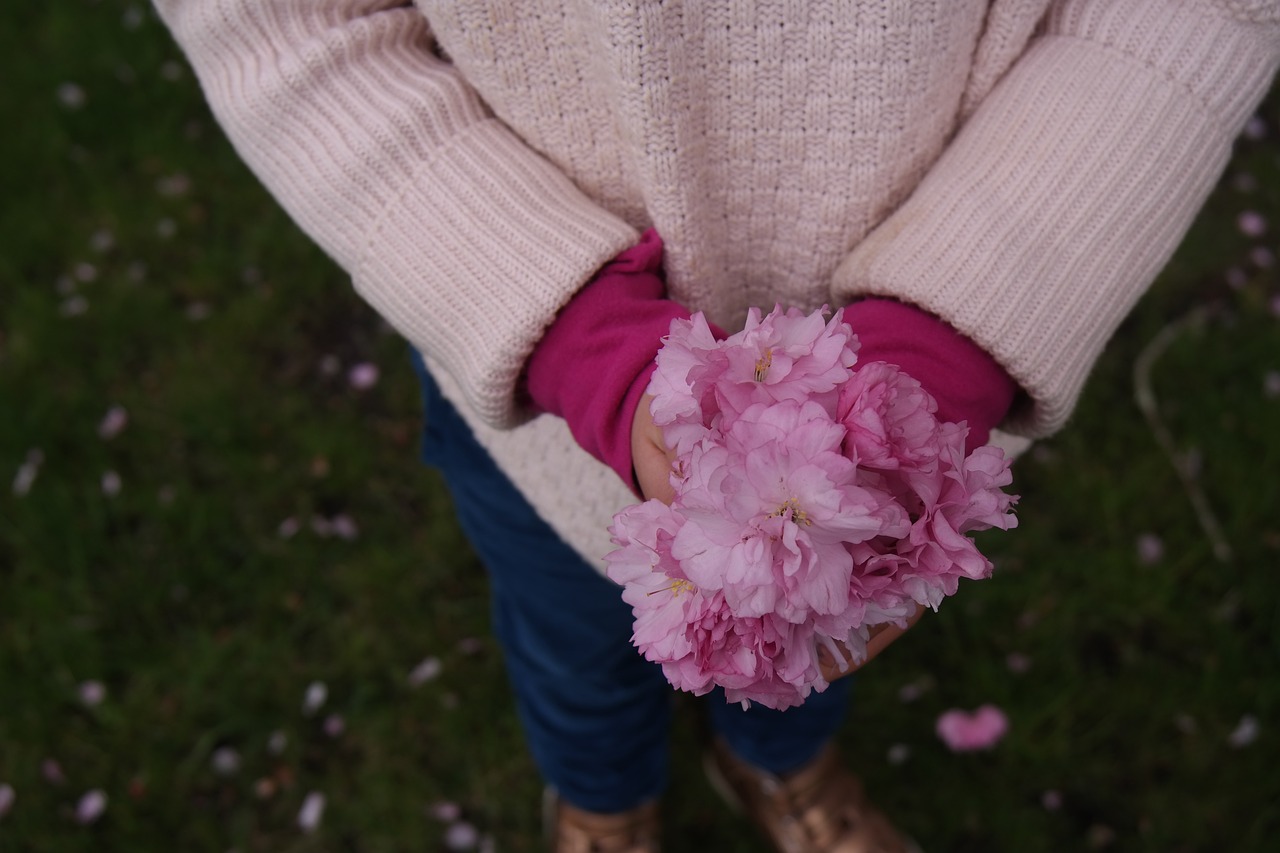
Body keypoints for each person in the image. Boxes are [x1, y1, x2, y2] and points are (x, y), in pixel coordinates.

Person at [153, 2, 1280, 850]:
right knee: (570, 643)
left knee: (811, 642)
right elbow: (286, 30)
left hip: (920, 367)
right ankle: (601, 801)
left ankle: (777, 764)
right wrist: (580, 343)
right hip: (534, 373)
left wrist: (945, 353)